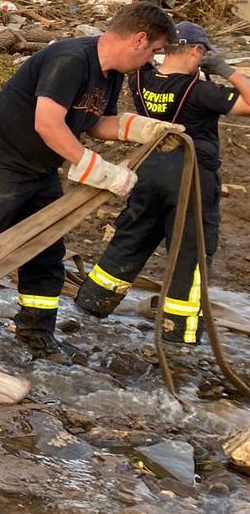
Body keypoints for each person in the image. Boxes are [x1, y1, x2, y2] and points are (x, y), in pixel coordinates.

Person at [0, 2, 179, 360]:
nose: (151, 60)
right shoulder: (71, 59)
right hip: (0, 159)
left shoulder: (110, 74)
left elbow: (95, 122)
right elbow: (48, 123)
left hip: (39, 168)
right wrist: (96, 168)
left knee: (46, 248)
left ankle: (36, 331)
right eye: (153, 50)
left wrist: (140, 129)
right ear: (138, 39)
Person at [74, 22, 250, 344]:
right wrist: (227, 70)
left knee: (131, 238)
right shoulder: (200, 91)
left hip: (150, 169)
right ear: (197, 51)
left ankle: (90, 306)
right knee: (189, 253)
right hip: (191, 177)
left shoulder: (141, 77)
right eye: (203, 53)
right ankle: (178, 334)